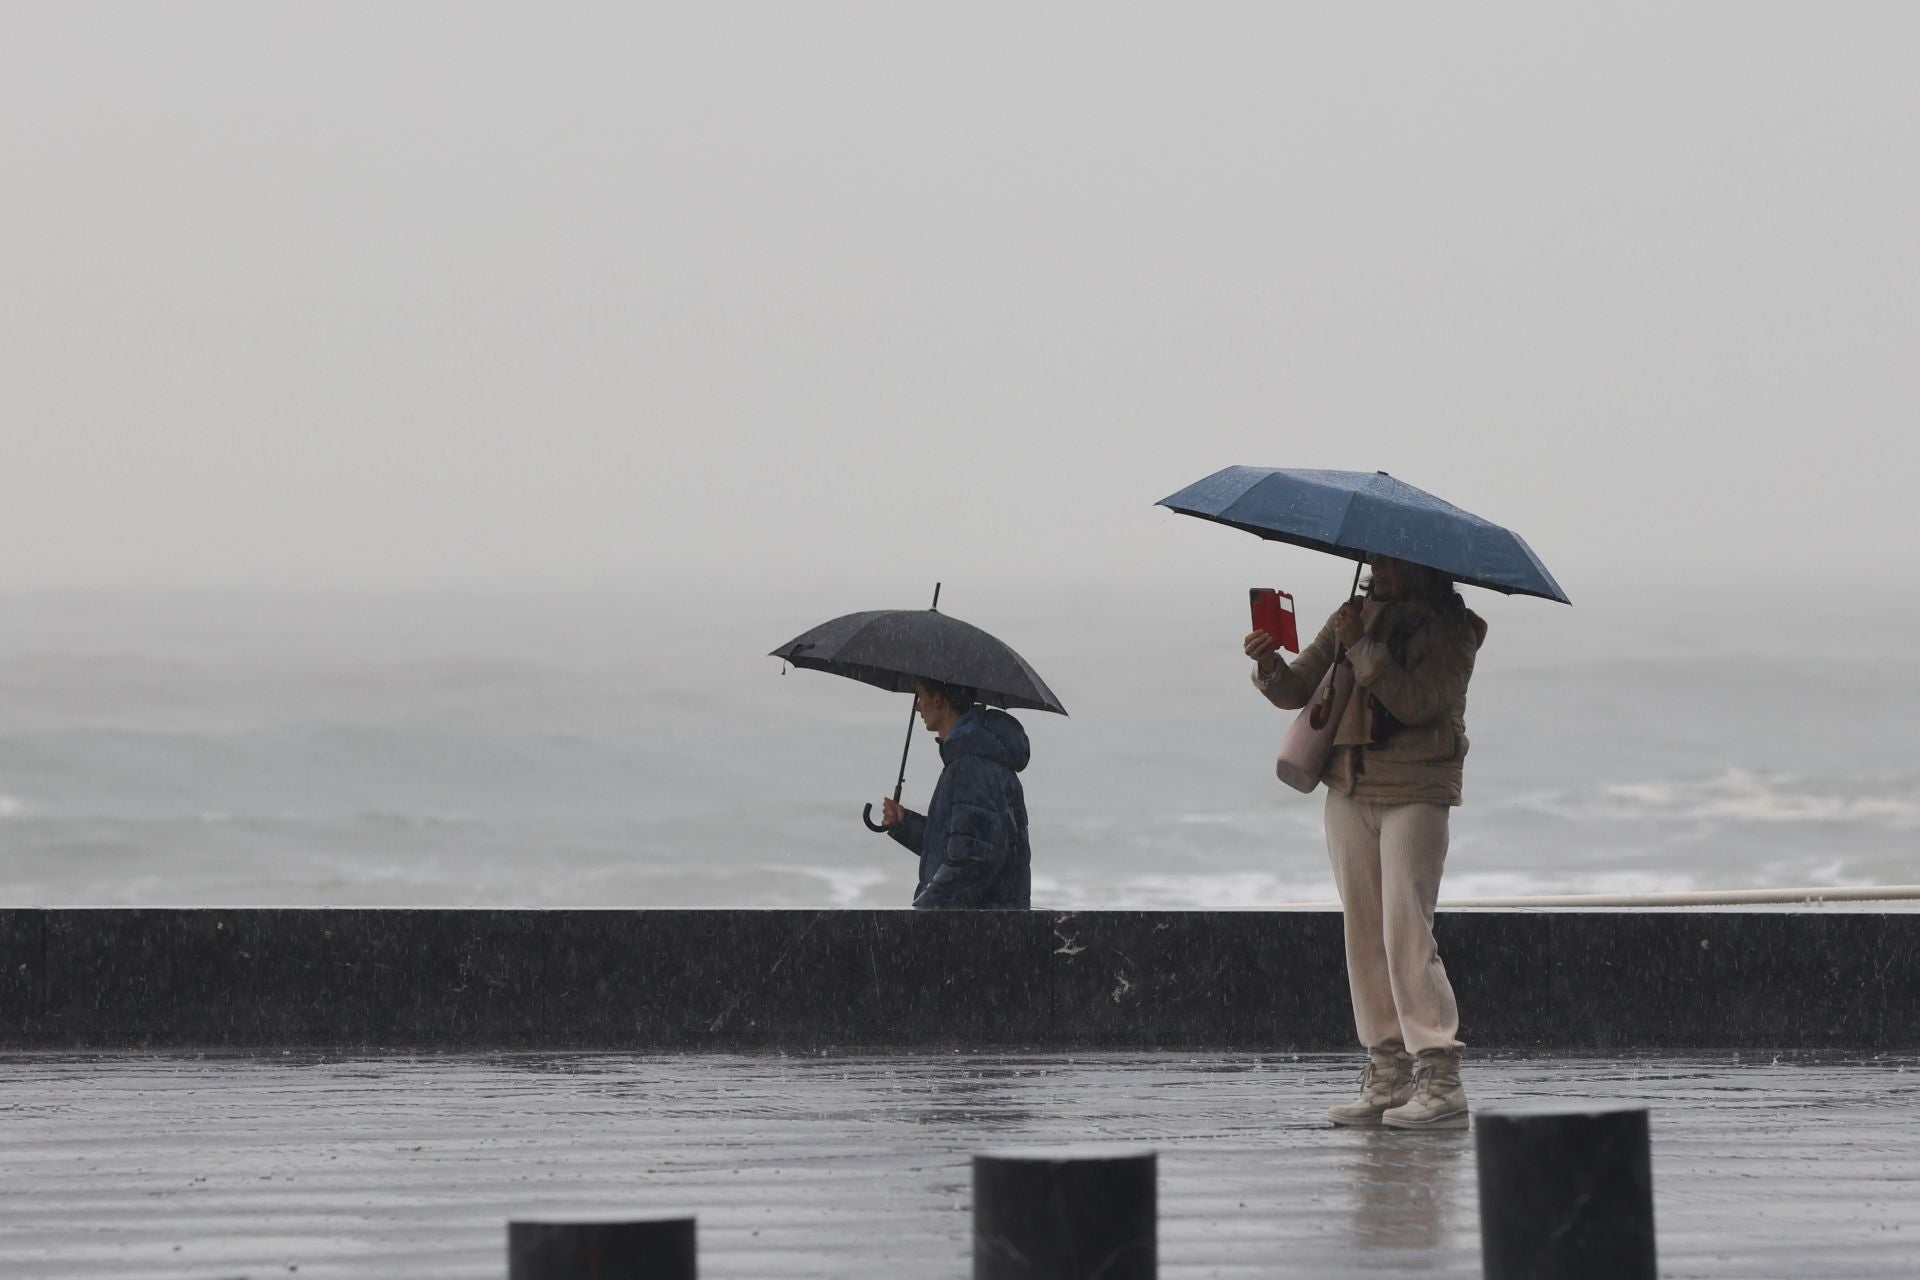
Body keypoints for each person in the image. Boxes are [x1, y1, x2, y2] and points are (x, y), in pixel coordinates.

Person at [1244, 555, 1488, 1130]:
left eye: (1394, 565)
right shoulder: (1351, 616)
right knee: (1363, 930)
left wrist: (1362, 649)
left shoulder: (1455, 630)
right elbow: (1297, 690)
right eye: (1375, 562)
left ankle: (1440, 1073)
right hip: (1348, 786)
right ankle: (1387, 1071)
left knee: (1407, 929)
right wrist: (1271, 666)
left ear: (1426, 569)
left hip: (1416, 788)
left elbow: (1420, 702)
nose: (1381, 572)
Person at [877, 677, 1032, 910]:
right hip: (992, 926)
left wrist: (924, 912)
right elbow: (966, 840)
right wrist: (904, 824)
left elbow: (974, 859)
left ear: (938, 699)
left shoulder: (972, 765)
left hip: (979, 930)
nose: (917, 705)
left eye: (920, 696)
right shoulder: (971, 757)